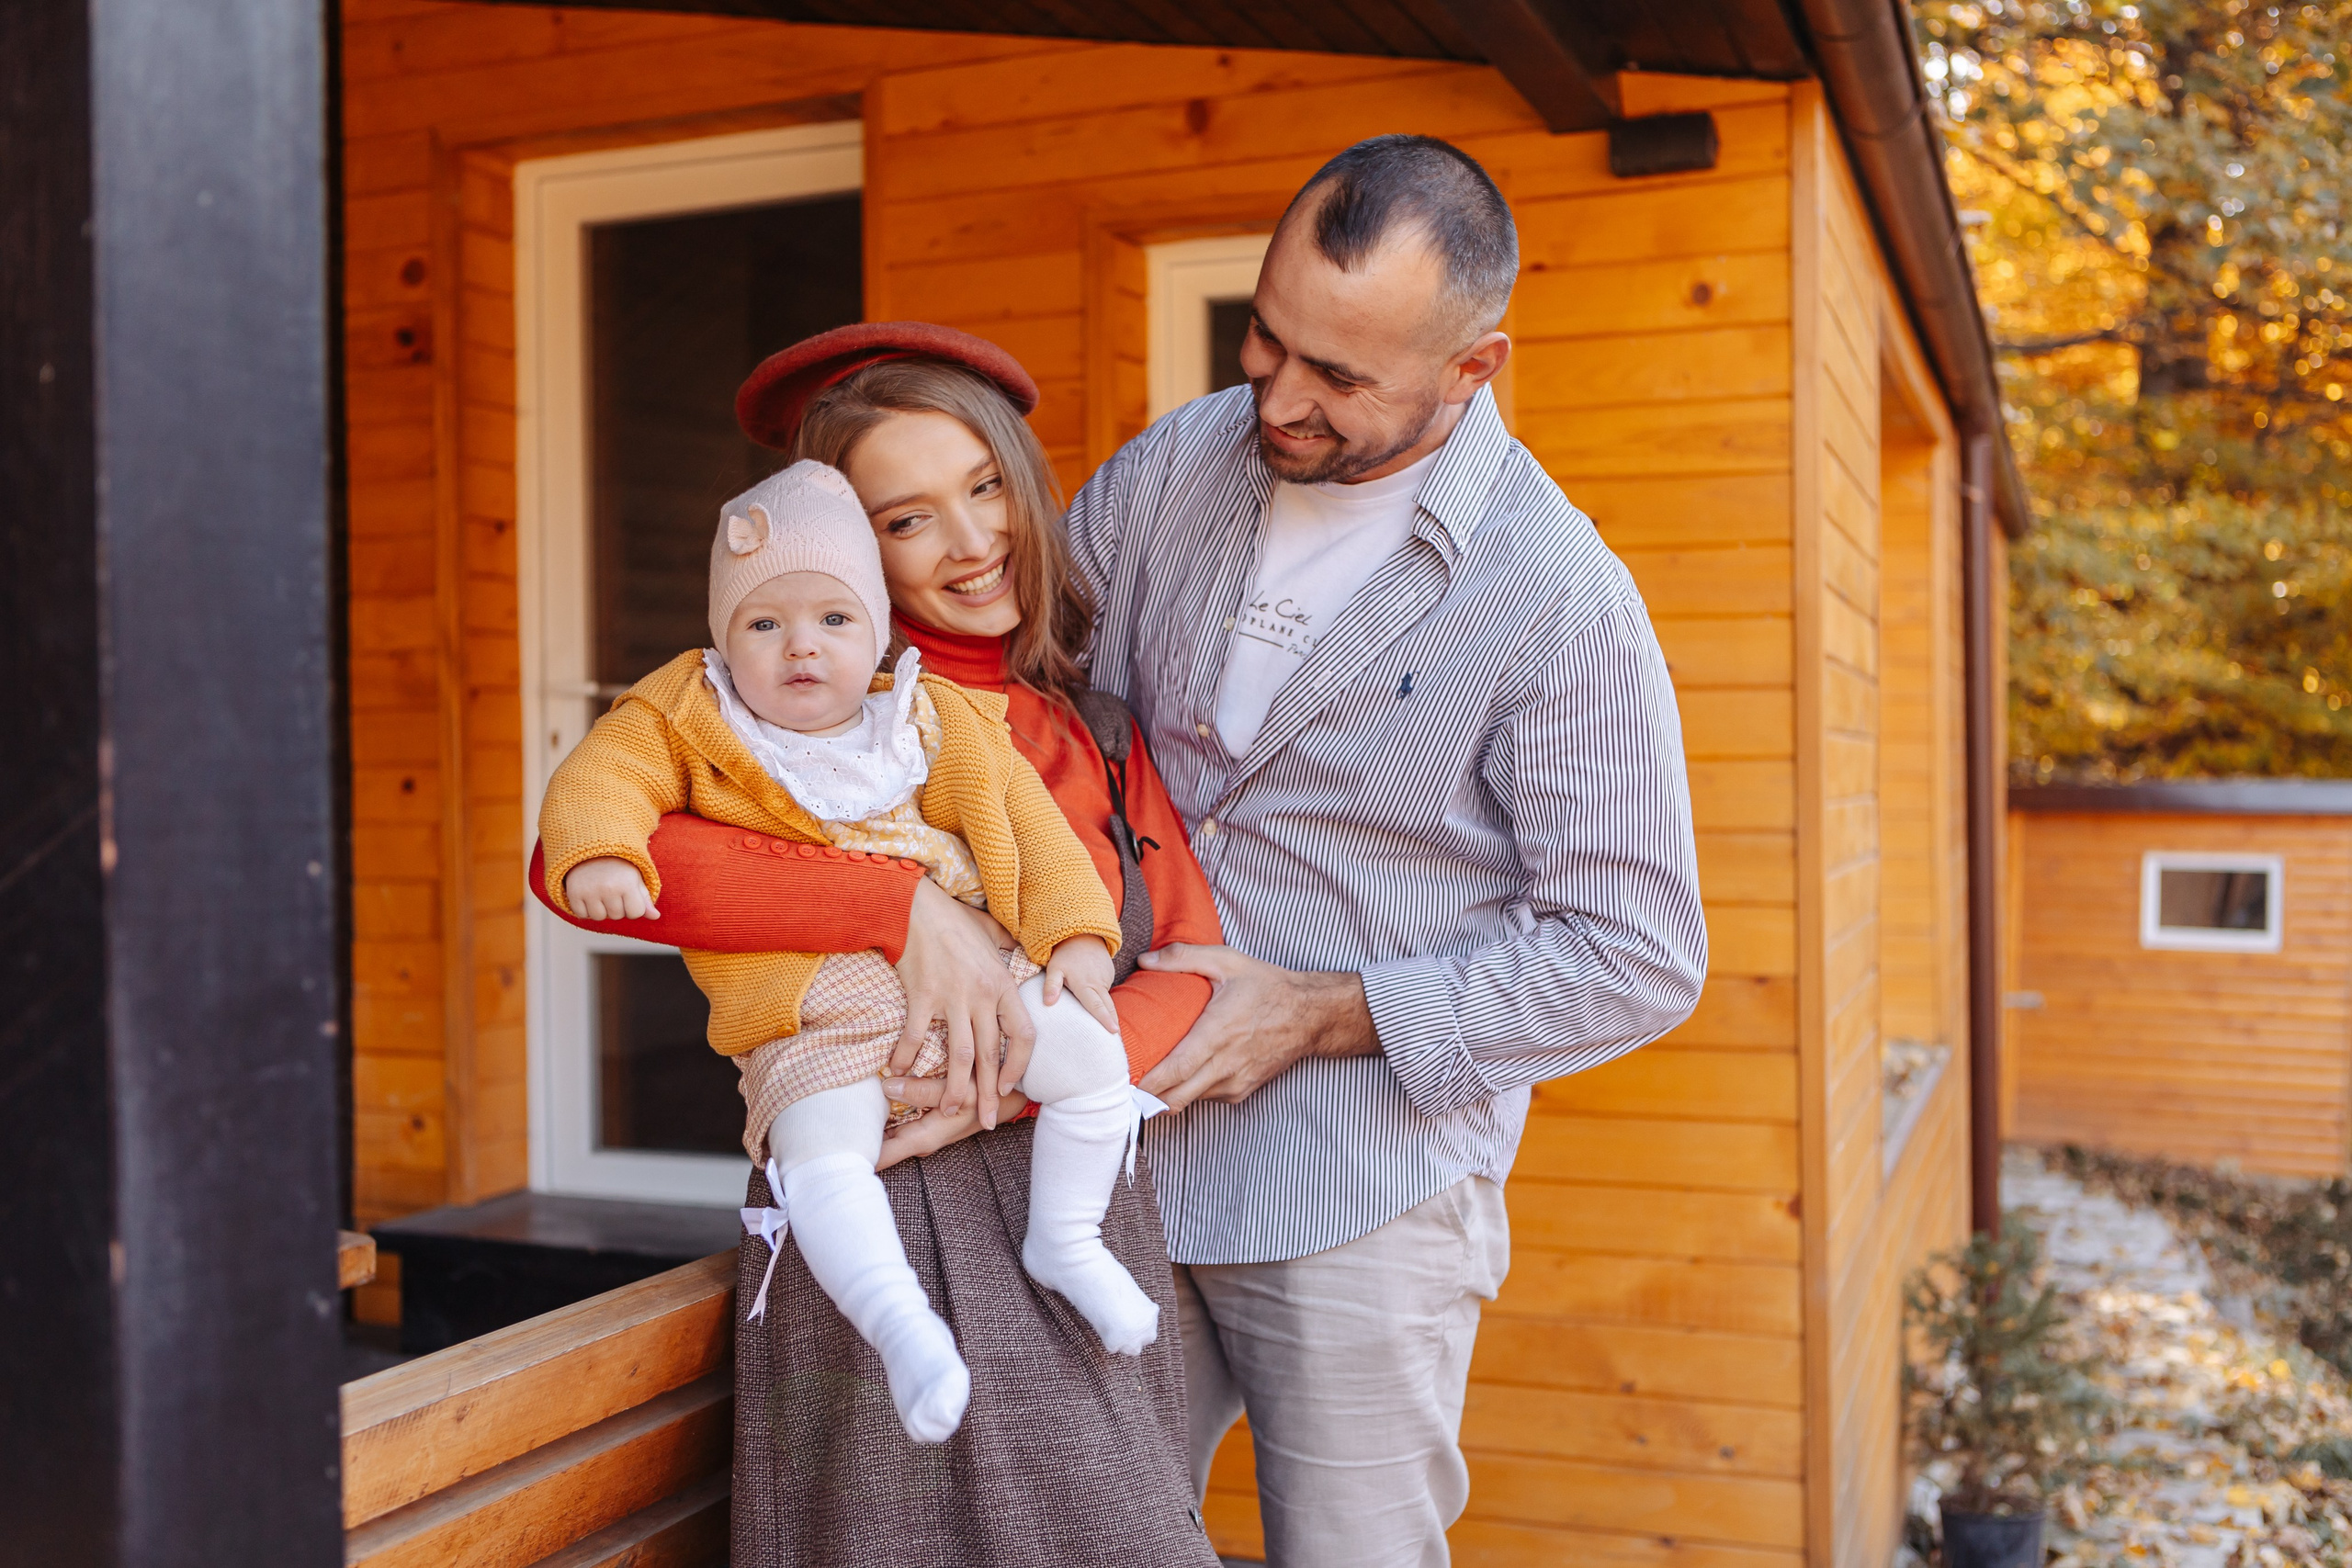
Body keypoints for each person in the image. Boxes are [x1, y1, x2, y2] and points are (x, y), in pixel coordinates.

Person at [531, 325, 1223, 1567]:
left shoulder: (1087, 725)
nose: (971, 541)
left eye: (985, 486)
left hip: (1057, 1195)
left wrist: (1001, 1082)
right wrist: (902, 909)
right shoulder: (767, 732)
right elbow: (575, 870)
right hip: (887, 1209)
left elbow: (1192, 968)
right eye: (908, 520)